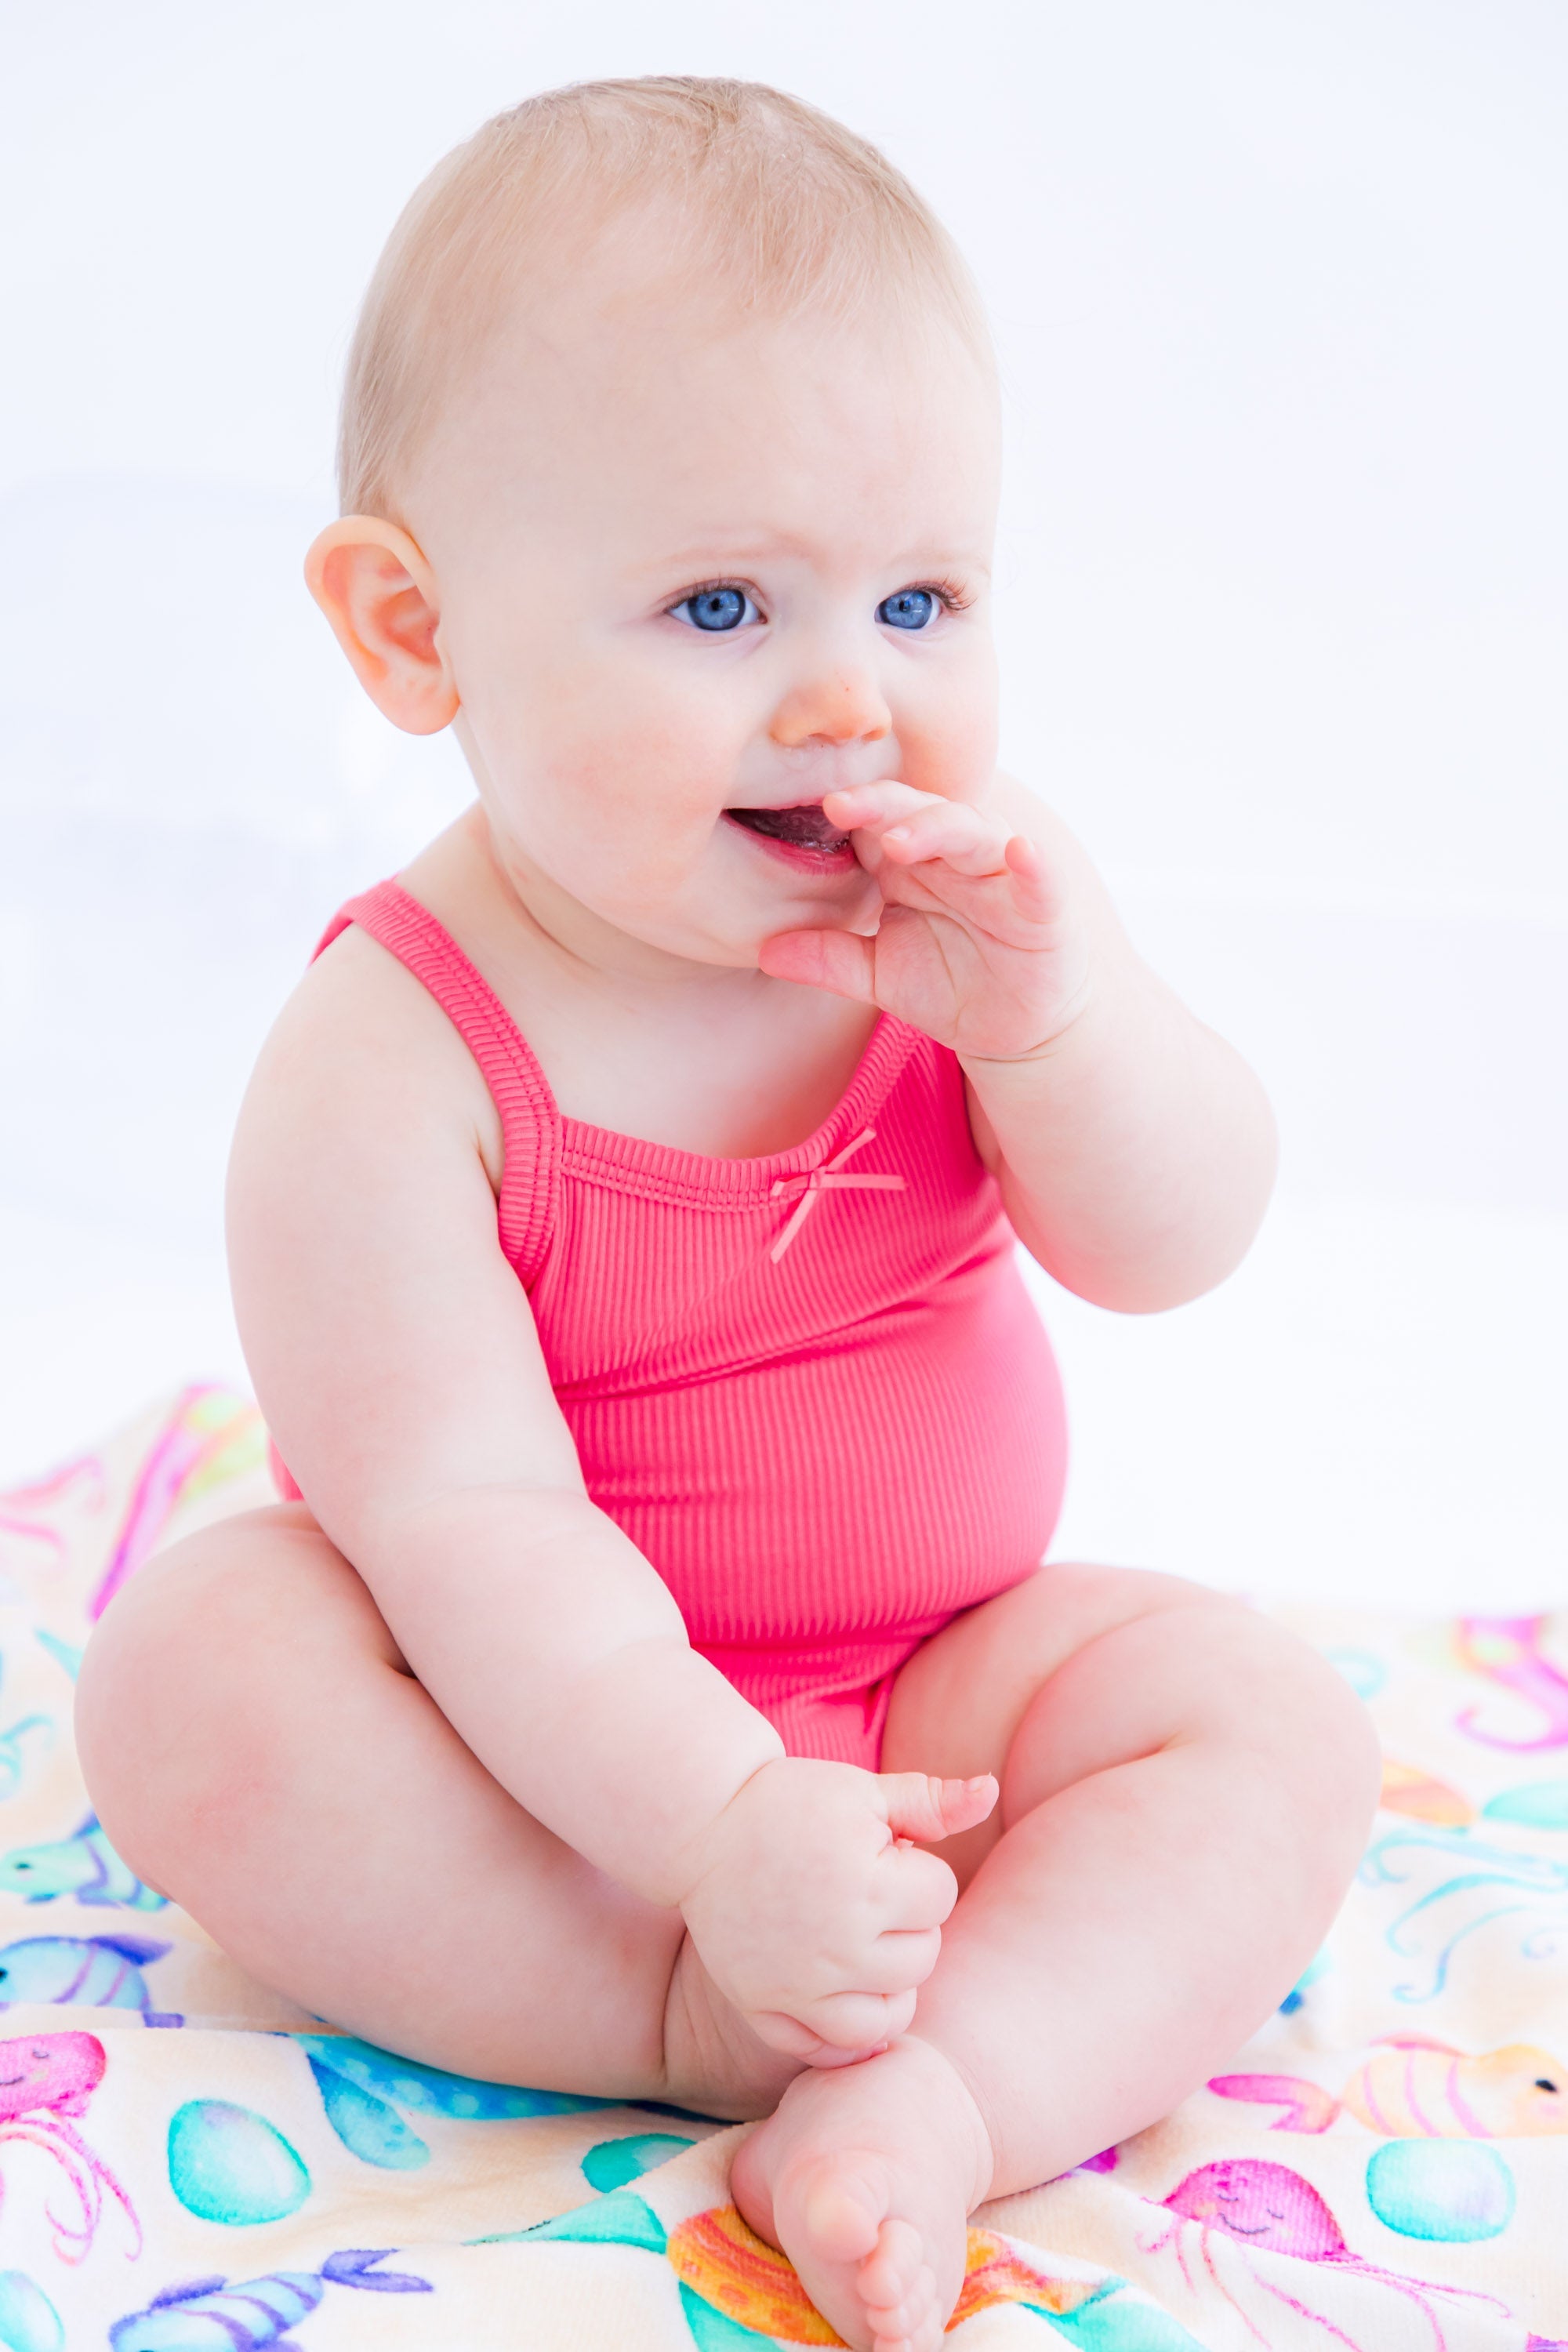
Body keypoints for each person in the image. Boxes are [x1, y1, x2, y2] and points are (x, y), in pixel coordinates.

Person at [75, 78, 1379, 2352]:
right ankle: (667, 2017)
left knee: (1264, 1723)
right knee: (203, 1677)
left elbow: (1177, 1242)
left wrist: (1063, 1028)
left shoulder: (972, 926)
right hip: (531, 1768)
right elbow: (465, 1529)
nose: (846, 693)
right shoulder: (390, 1059)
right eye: (714, 601)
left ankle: (942, 2093)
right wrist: (709, 1856)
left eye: (918, 595)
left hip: (934, 1687)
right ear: (416, 632)